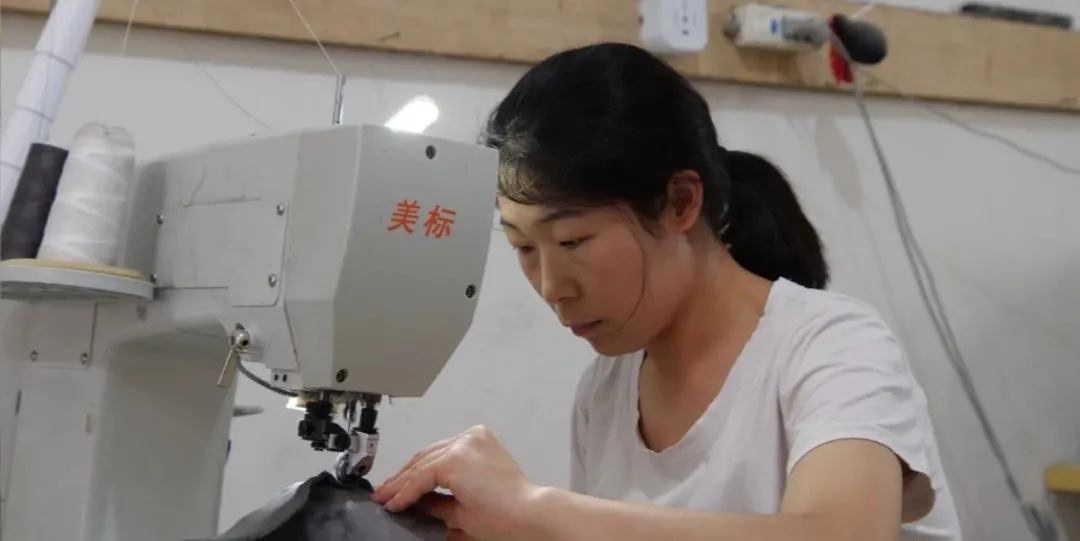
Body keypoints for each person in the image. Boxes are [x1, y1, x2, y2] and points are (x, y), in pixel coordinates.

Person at [371, 42, 962, 541]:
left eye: (573, 241)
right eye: (523, 247)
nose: (551, 287)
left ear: (680, 203)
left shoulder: (833, 346)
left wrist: (534, 510)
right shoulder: (607, 390)